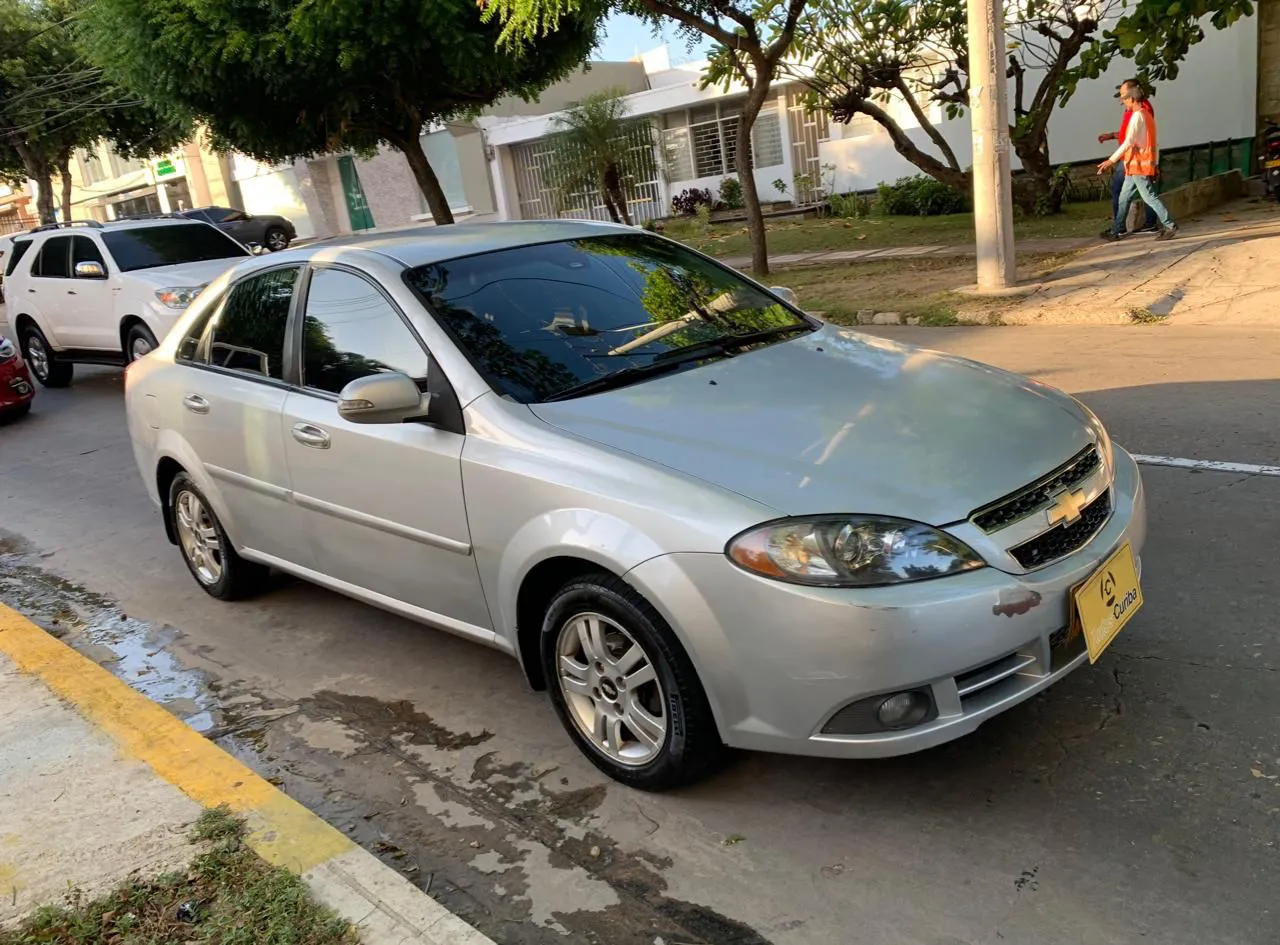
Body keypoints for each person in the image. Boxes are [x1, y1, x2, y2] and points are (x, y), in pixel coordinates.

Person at [1098, 83, 1177, 242]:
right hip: (1134, 165)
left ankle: (1170, 225)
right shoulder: (1146, 115)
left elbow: (1129, 141)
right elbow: (1153, 143)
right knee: (1123, 197)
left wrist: (1111, 160)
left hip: (1138, 165)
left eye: (1124, 99)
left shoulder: (1138, 116)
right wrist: (1155, 163)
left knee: (1149, 197)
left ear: (1132, 99)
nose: (1123, 103)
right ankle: (1116, 229)